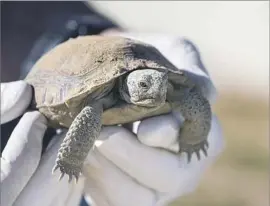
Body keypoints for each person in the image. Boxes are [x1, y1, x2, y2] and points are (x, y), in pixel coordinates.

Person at [1, 31, 224, 206]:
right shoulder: (98, 98)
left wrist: (195, 138)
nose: (156, 91)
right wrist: (72, 159)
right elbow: (89, 112)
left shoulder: (163, 87)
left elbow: (193, 100)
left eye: (162, 84)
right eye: (145, 86)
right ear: (129, 84)